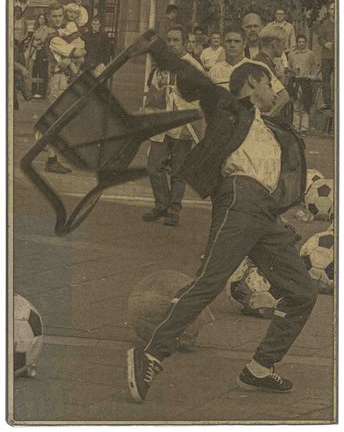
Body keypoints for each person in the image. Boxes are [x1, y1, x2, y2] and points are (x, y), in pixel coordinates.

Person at [126, 32, 318, 402]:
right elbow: (192, 77)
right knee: (211, 281)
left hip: (264, 212)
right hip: (239, 199)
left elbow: (275, 175)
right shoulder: (229, 107)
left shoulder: (271, 126)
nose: (274, 89)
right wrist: (160, 48)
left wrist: (278, 214)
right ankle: (150, 352)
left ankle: (260, 368)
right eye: (267, 82)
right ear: (250, 84)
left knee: (302, 293)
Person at [142, 26, 204, 227]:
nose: (171, 44)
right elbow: (152, 90)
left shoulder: (193, 66)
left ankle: (173, 209)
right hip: (161, 122)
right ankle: (161, 204)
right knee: (154, 166)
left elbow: (199, 98)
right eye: (169, 40)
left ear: (186, 43)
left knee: (178, 170)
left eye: (176, 40)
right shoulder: (161, 65)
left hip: (182, 124)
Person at [42, 3, 86, 174]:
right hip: (59, 80)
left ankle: (56, 156)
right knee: (57, 121)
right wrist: (78, 53)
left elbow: (82, 52)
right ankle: (52, 160)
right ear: (49, 18)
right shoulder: (54, 38)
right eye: (54, 16)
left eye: (60, 16)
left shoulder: (64, 34)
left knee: (65, 119)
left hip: (66, 79)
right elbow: (78, 53)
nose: (58, 19)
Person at [209, 26, 289, 118]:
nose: (232, 45)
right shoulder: (214, 70)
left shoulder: (257, 66)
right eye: (229, 41)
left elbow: (283, 96)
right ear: (223, 44)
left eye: (237, 41)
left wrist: (269, 115)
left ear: (244, 44)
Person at [288, 34, 319, 133]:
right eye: (299, 42)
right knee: (296, 105)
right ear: (297, 43)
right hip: (296, 82)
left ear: (305, 43)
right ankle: (296, 127)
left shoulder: (310, 54)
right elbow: (288, 68)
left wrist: (312, 76)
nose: (301, 44)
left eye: (303, 42)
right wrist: (293, 72)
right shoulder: (292, 54)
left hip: (306, 82)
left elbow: (317, 66)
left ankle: (304, 128)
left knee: (305, 105)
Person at [25, 13, 49, 99]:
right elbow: (32, 40)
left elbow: (42, 40)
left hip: (41, 51)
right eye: (40, 18)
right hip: (34, 51)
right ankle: (34, 91)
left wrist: (35, 40)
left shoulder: (46, 29)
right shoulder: (37, 29)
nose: (41, 20)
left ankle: (41, 92)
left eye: (43, 19)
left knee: (41, 71)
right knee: (34, 71)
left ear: (45, 20)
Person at [317, 2, 335, 111]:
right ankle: (327, 102)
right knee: (326, 80)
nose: (334, 11)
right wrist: (325, 44)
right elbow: (319, 38)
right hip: (326, 56)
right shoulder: (325, 24)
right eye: (332, 9)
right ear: (329, 11)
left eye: (336, 8)